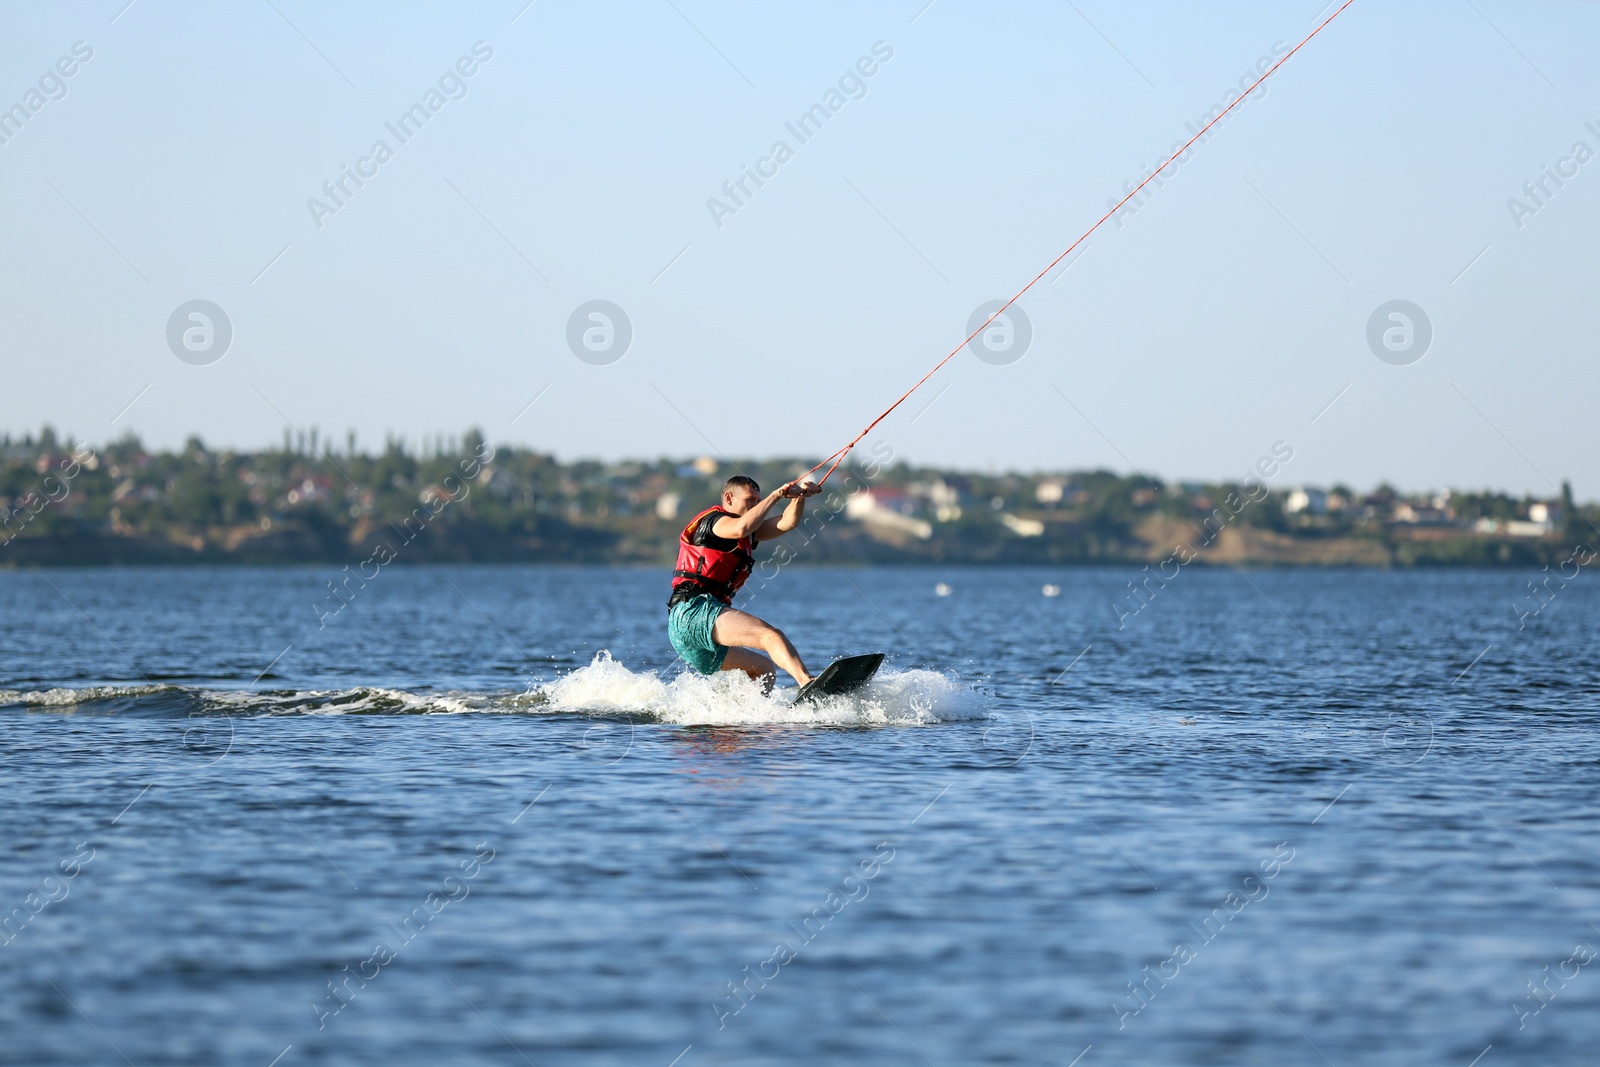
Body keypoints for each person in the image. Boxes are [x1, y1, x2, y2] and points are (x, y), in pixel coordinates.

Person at [667, 475, 822, 688]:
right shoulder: (715, 522)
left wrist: (800, 496)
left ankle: (741, 718)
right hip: (693, 611)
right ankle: (807, 682)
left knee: (763, 670)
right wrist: (776, 495)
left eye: (757, 502)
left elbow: (786, 523)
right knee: (771, 636)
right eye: (750, 500)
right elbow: (741, 527)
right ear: (729, 498)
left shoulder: (748, 532)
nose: (754, 506)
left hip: (693, 629)